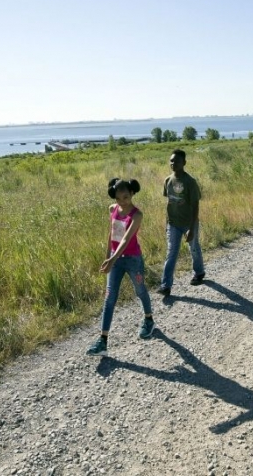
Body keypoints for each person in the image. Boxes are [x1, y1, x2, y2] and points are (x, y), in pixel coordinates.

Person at [86, 178, 155, 356]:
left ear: (132, 193)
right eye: (118, 198)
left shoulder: (137, 215)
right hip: (115, 260)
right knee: (109, 297)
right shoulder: (113, 209)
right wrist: (107, 256)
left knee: (140, 290)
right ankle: (103, 340)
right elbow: (112, 233)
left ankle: (149, 320)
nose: (122, 201)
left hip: (132, 259)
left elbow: (125, 239)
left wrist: (112, 259)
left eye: (125, 197)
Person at [157, 149, 205, 296]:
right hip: (173, 224)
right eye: (171, 161)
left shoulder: (190, 182)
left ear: (184, 163)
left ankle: (199, 272)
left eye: (177, 161)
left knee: (194, 248)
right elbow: (169, 202)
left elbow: (196, 205)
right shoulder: (168, 181)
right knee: (171, 253)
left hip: (189, 223)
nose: (173, 163)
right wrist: (167, 223)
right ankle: (166, 285)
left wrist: (191, 228)